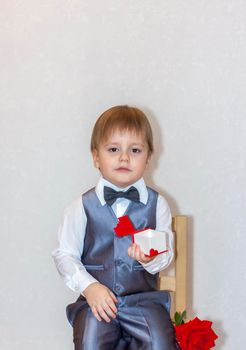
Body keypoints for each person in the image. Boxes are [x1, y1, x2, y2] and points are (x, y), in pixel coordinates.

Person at [52, 105, 180, 349]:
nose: (124, 157)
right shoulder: (80, 206)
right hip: (97, 302)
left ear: (148, 157)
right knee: (90, 339)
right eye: (113, 149)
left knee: (160, 342)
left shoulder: (158, 204)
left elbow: (166, 256)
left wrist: (149, 259)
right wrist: (89, 287)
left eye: (135, 150)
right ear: (96, 156)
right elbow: (64, 254)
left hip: (144, 301)